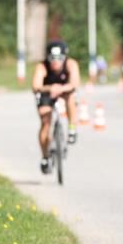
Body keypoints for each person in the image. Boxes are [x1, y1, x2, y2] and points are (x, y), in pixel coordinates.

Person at [31, 40, 81, 174]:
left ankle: (72, 129)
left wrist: (61, 88)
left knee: (71, 98)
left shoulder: (71, 64)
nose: (55, 62)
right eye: (52, 59)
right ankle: (45, 156)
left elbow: (75, 83)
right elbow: (36, 86)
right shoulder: (42, 66)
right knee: (45, 123)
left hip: (65, 90)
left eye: (59, 59)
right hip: (47, 92)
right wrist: (50, 88)